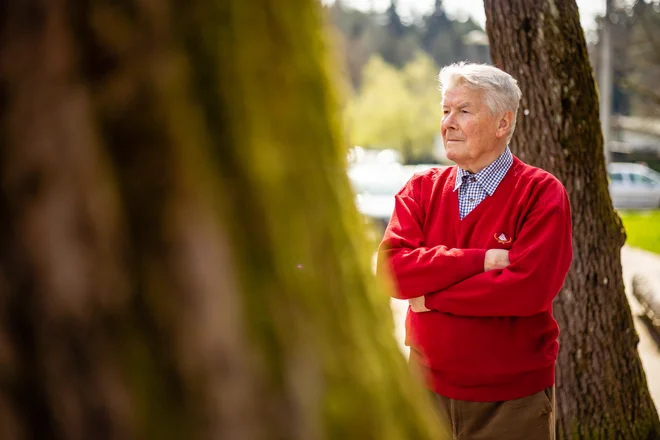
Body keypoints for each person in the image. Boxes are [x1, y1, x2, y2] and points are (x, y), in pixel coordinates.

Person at [377, 62, 572, 440]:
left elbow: (527, 289)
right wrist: (479, 260)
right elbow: (391, 271)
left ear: (503, 123)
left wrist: (429, 296)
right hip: (423, 393)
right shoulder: (420, 189)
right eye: (445, 110)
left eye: (463, 111)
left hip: (511, 404)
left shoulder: (541, 193)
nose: (448, 122)